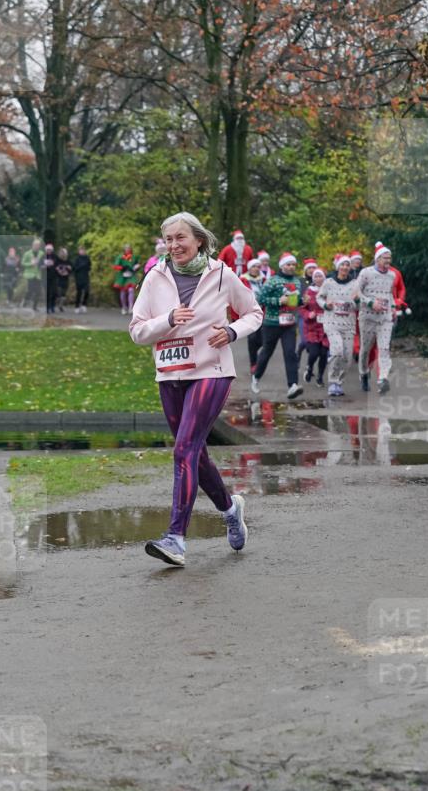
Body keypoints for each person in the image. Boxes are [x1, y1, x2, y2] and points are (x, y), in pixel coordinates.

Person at [129, 211, 263, 567]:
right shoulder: (155, 278)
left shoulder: (222, 274)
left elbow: (254, 312)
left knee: (184, 448)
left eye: (180, 238)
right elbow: (137, 330)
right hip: (171, 373)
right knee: (194, 454)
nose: (173, 245)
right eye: (168, 239)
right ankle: (230, 509)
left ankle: (175, 538)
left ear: (199, 240)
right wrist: (168, 319)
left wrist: (233, 332)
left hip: (212, 370)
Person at [251, 253, 304, 400]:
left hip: (289, 323)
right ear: (282, 266)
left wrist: (300, 301)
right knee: (267, 352)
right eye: (288, 264)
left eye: (293, 264)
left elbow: (293, 302)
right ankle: (256, 377)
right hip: (272, 323)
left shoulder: (297, 282)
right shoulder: (273, 281)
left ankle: (292, 385)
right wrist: (279, 301)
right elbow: (261, 298)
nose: (291, 267)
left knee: (290, 353)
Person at [353, 241, 397, 394]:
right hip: (368, 318)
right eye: (385, 258)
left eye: (389, 258)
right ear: (377, 259)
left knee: (384, 348)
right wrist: (371, 303)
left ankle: (382, 378)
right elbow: (356, 293)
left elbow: (389, 293)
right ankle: (364, 373)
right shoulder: (366, 273)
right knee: (365, 350)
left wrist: (392, 308)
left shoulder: (392, 275)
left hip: (384, 318)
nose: (388, 261)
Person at [317, 254, 357, 396]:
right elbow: (319, 297)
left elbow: (359, 304)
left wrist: (355, 302)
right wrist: (325, 305)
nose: (345, 267)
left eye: (347, 265)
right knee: (338, 350)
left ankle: (339, 383)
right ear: (338, 267)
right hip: (332, 322)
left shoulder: (354, 284)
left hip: (348, 324)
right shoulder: (328, 282)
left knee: (347, 356)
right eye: (342, 265)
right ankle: (332, 381)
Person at [301, 267, 330, 386]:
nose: (318, 279)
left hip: (326, 327)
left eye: (320, 276)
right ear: (313, 279)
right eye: (316, 277)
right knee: (314, 353)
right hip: (312, 327)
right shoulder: (308, 292)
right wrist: (309, 314)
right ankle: (309, 368)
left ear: (324, 278)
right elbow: (302, 308)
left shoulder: (330, 290)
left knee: (323, 353)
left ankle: (320, 377)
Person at [240, 257, 265, 372]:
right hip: (249, 312)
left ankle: (256, 355)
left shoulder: (264, 280)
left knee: (262, 340)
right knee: (252, 338)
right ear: (249, 268)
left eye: (258, 267)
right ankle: (253, 363)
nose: (256, 269)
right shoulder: (243, 279)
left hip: (263, 312)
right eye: (254, 267)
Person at [113, 244, 141, 314]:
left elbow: (137, 264)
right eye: (126, 248)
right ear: (124, 249)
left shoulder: (134, 257)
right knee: (123, 292)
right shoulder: (120, 257)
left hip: (131, 275)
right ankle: (124, 307)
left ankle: (130, 307)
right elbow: (115, 266)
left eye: (129, 248)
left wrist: (136, 267)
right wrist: (122, 268)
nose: (128, 249)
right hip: (122, 276)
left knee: (131, 290)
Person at [21, 238, 44, 311]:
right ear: (32, 245)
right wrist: (31, 264)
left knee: (38, 291)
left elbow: (43, 262)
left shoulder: (41, 253)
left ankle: (35, 307)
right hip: (29, 274)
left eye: (38, 245)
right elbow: (22, 263)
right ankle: (25, 300)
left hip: (38, 274)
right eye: (35, 245)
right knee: (30, 290)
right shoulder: (27, 253)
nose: (37, 246)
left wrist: (43, 266)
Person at [73, 246, 91, 313]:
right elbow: (74, 268)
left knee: (87, 291)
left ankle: (84, 304)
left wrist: (87, 268)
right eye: (81, 250)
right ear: (79, 251)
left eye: (83, 250)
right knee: (79, 293)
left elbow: (89, 266)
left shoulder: (87, 258)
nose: (82, 252)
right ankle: (77, 306)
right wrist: (81, 266)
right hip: (78, 277)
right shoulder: (77, 259)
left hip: (86, 277)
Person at [54, 248, 72, 312]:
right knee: (59, 292)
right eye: (61, 253)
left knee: (64, 293)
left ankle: (60, 306)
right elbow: (54, 268)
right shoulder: (57, 260)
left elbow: (71, 269)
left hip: (65, 278)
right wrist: (58, 270)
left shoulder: (68, 261)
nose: (62, 254)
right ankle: (56, 303)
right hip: (58, 278)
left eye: (64, 253)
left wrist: (68, 271)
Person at [42, 243, 57, 313]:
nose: (49, 251)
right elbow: (40, 265)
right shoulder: (43, 256)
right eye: (47, 250)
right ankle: (47, 307)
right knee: (47, 292)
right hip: (46, 276)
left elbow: (57, 265)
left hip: (53, 276)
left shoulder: (55, 256)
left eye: (50, 250)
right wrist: (44, 267)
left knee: (54, 292)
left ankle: (52, 305)